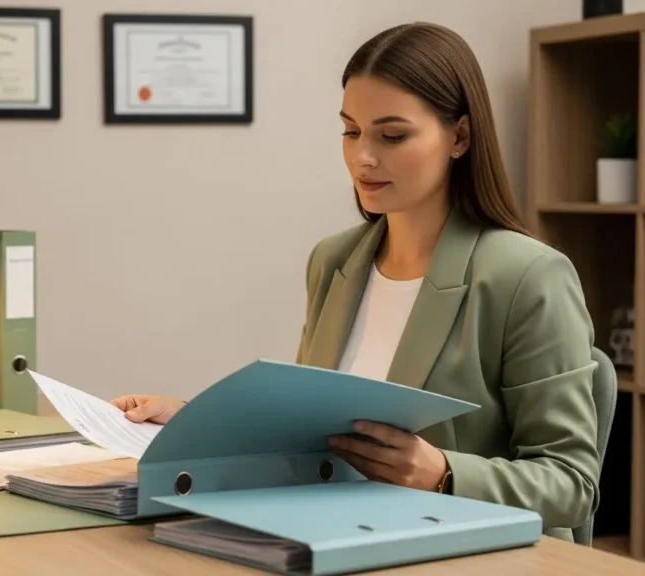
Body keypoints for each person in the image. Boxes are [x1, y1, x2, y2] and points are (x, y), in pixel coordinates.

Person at [109, 22, 600, 542]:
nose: (363, 157)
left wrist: (444, 474)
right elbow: (306, 435)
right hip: (337, 537)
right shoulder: (334, 261)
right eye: (350, 131)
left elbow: (572, 484)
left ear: (459, 136)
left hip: (463, 551)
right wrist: (193, 424)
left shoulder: (527, 276)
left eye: (392, 135)